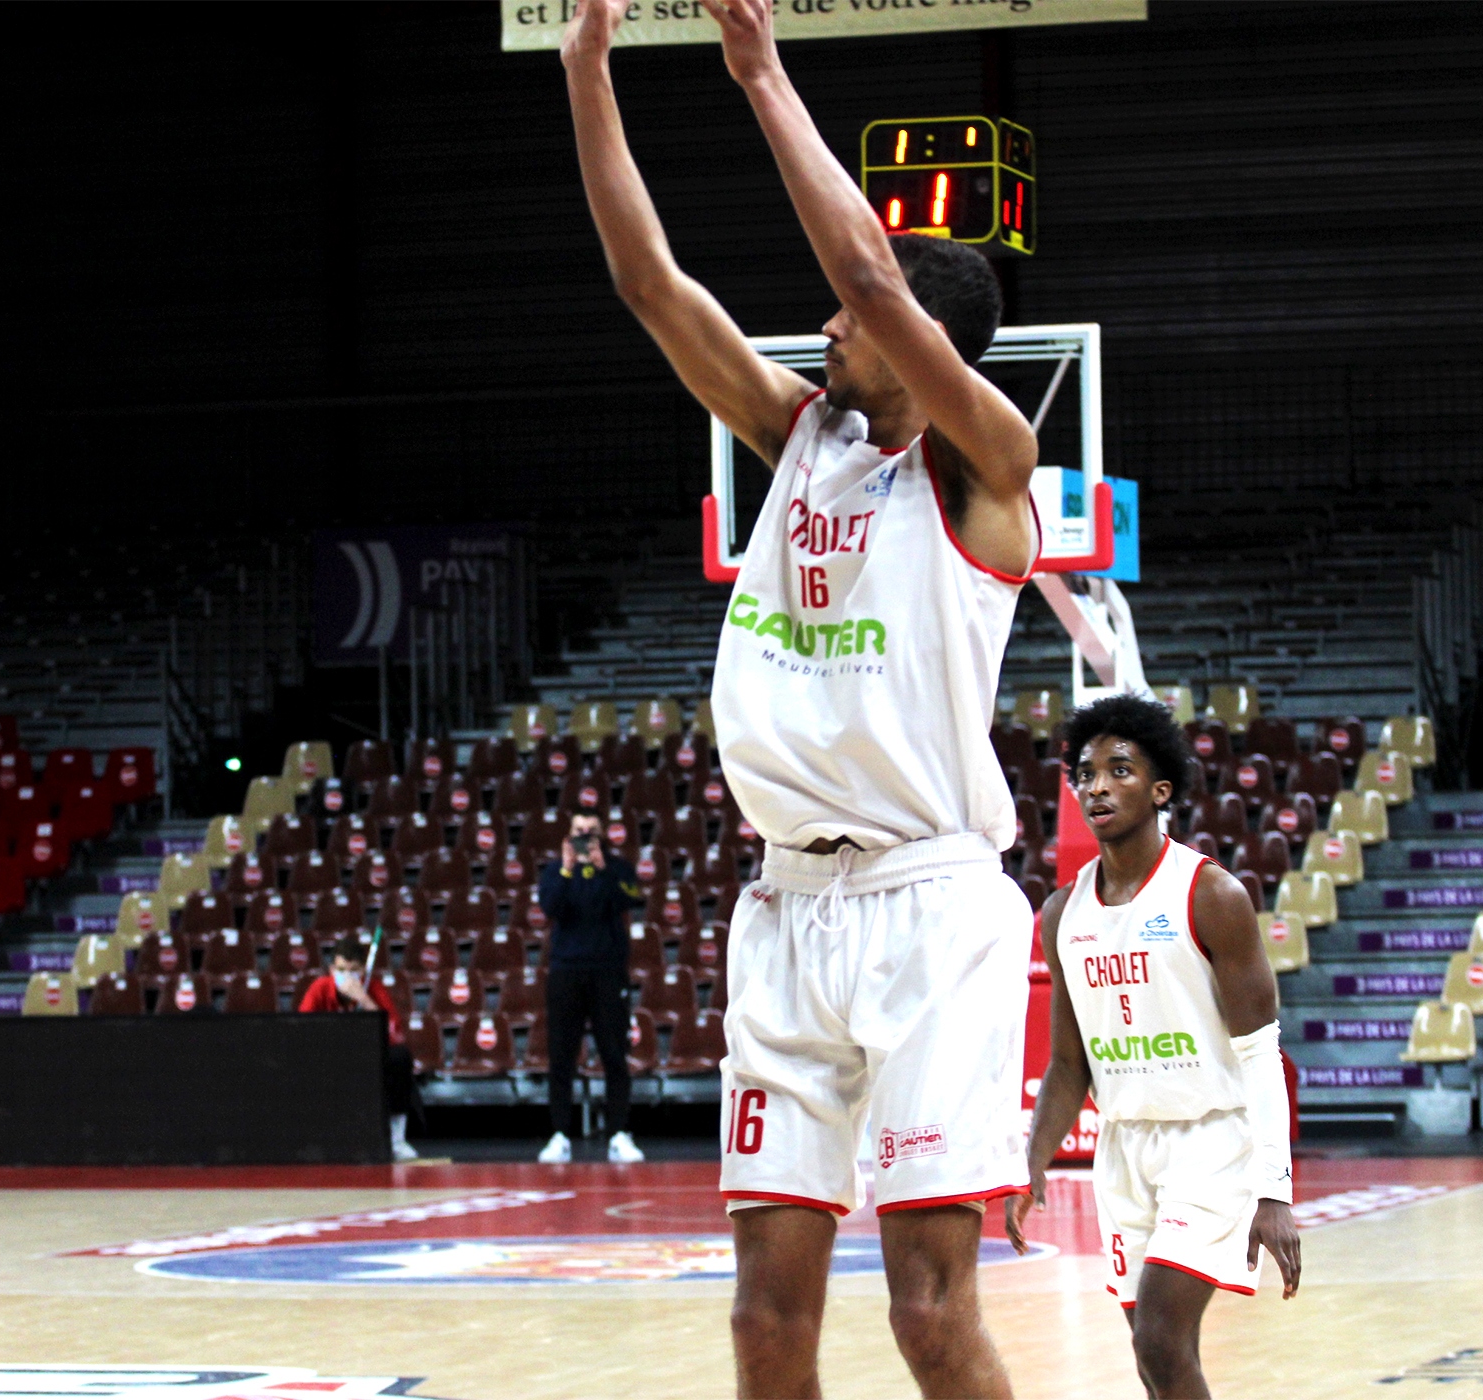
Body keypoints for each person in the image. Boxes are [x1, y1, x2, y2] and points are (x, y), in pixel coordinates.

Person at [562, 0, 1042, 1391]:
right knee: (765, 1320)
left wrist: (759, 71)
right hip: (786, 909)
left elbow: (872, 276)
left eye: (855, 314)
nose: (829, 323)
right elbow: (651, 282)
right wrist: (590, 74)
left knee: (929, 1313)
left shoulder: (985, 468)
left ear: (923, 343)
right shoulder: (800, 437)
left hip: (932, 908)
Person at [1006, 694, 1302, 1400]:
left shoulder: (1212, 896)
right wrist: (1032, 1161)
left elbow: (1263, 1057)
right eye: (1085, 773)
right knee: (1155, 1362)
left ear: (1160, 789)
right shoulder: (1061, 913)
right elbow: (1069, 1064)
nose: (1098, 787)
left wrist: (1275, 1193)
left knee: (1160, 1339)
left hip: (1214, 1145)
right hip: (1126, 1151)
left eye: (1119, 770)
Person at [535, 812, 646, 1165]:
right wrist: (569, 868)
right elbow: (549, 907)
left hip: (608, 971)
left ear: (602, 836)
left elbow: (631, 897)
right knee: (561, 1057)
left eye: (591, 832)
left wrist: (602, 868)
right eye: (579, 831)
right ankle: (559, 1135)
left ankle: (619, 1133)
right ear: (568, 836)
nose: (585, 837)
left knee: (614, 1054)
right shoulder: (555, 871)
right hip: (566, 971)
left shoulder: (617, 867)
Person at [298, 941, 422, 1163]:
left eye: (353, 970)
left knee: (400, 1057)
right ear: (331, 971)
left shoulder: (373, 989)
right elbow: (300, 1028)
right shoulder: (319, 988)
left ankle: (396, 1141)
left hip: (366, 1060)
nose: (347, 976)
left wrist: (364, 1001)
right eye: (341, 970)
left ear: (363, 971)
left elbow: (393, 1034)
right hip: (328, 1058)